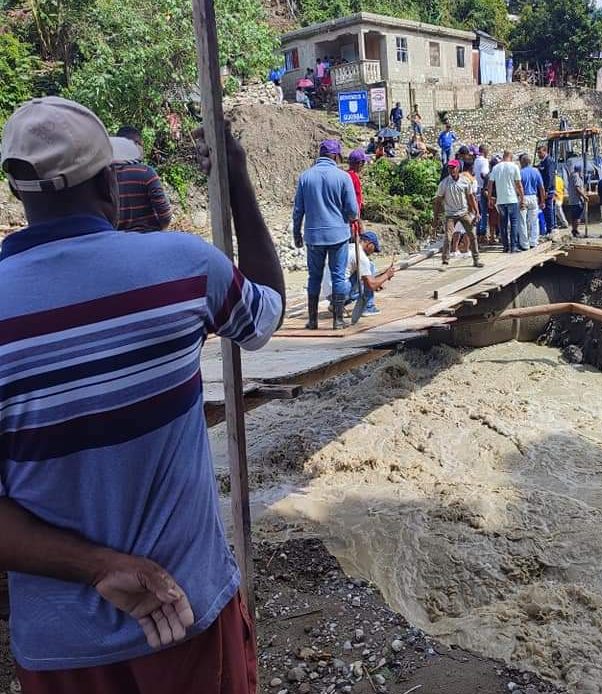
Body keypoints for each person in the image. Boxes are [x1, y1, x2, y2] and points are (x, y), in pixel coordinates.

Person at [0, 96, 284, 694]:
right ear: (111, 182)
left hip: (60, 651)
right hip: (185, 619)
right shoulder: (182, 266)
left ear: (18, 190)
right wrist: (236, 179)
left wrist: (99, 567)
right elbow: (266, 312)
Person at [293, 140, 359, 330]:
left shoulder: (305, 177)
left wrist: (296, 233)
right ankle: (338, 320)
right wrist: (349, 218)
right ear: (337, 156)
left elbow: (298, 210)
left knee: (314, 277)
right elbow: (353, 210)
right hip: (338, 235)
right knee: (338, 276)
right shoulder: (343, 177)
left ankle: (312, 321)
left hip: (313, 236)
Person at [321, 231, 394, 317]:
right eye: (373, 249)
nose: (372, 253)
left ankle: (336, 305)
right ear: (369, 244)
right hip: (341, 292)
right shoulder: (360, 256)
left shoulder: (348, 247)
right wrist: (386, 275)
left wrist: (376, 281)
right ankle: (368, 307)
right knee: (370, 267)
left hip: (328, 292)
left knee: (364, 274)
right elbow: (371, 285)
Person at [111, 133, 172, 232]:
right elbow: (165, 215)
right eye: (141, 145)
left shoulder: (104, 176)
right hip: (148, 238)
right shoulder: (146, 172)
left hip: (117, 241)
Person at [433, 159, 483, 268]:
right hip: (450, 214)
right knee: (448, 237)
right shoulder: (444, 183)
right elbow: (438, 201)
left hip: (463, 212)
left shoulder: (465, 181)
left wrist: (476, 212)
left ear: (458, 168)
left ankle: (476, 259)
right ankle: (445, 262)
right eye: (449, 168)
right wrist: (435, 218)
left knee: (472, 235)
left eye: (453, 168)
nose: (451, 170)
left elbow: (471, 197)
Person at [488, 150, 525, 253]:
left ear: (503, 156)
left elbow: (490, 184)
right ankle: (513, 247)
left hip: (500, 200)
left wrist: (489, 198)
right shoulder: (514, 167)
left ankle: (505, 246)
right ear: (511, 156)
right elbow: (519, 184)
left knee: (503, 224)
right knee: (514, 223)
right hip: (512, 199)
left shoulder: (496, 168)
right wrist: (522, 198)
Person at [519, 154, 545, 249]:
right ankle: (534, 241)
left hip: (523, 197)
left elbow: (518, 186)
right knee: (534, 221)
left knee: (522, 221)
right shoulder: (536, 171)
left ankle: (524, 244)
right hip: (533, 197)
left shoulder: (520, 172)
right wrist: (542, 201)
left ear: (522, 162)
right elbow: (541, 188)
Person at [536, 144, 556, 232]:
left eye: (540, 153)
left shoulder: (549, 161)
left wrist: (546, 190)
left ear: (545, 151)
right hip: (542, 190)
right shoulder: (542, 162)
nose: (539, 155)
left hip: (548, 190)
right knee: (545, 209)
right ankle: (547, 228)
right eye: (538, 153)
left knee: (548, 209)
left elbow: (549, 177)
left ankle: (550, 228)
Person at [472, 145, 491, 240]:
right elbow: (484, 173)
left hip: (476, 187)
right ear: (484, 151)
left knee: (478, 210)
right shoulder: (484, 161)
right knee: (484, 212)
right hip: (483, 188)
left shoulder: (476, 160)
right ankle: (483, 233)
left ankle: (478, 231)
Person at [566, 162, 588, 237]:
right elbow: (577, 188)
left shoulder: (571, 176)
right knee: (577, 217)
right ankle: (575, 230)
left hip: (572, 200)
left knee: (574, 217)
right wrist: (584, 196)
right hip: (577, 201)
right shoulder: (576, 176)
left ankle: (574, 230)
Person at [347, 148, 369, 219]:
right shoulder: (354, 177)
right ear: (360, 163)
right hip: (353, 216)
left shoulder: (345, 174)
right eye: (364, 163)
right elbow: (355, 198)